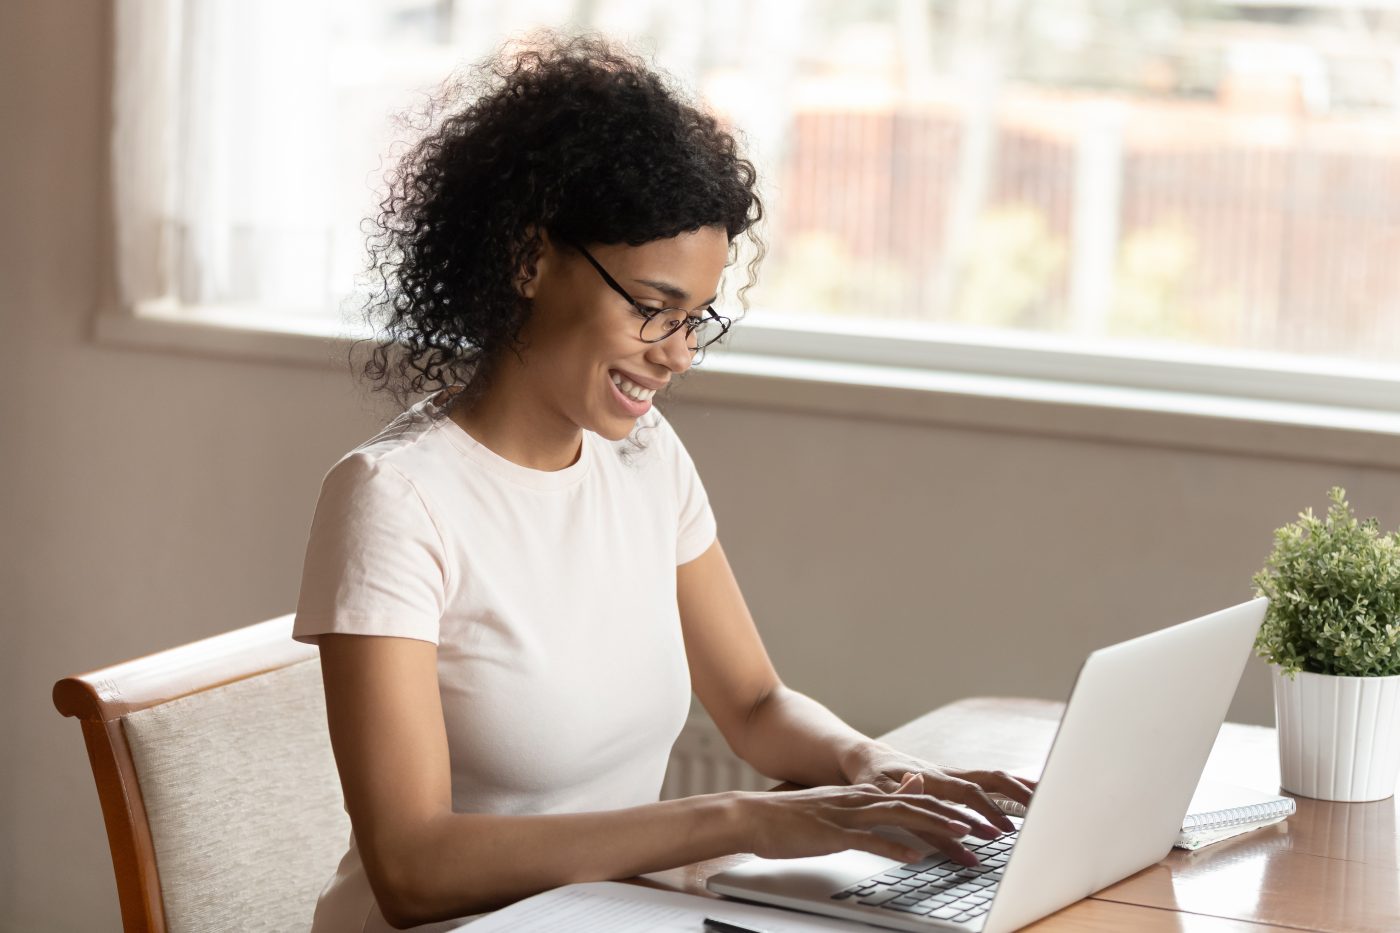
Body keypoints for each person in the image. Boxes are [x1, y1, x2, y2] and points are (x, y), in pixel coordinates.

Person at [293, 33, 1035, 932]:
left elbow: (756, 705)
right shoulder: (394, 499)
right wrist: (744, 818)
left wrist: (872, 763)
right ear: (529, 259)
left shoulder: (644, 457)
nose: (677, 354)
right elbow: (413, 869)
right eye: (650, 307)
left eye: (695, 319)